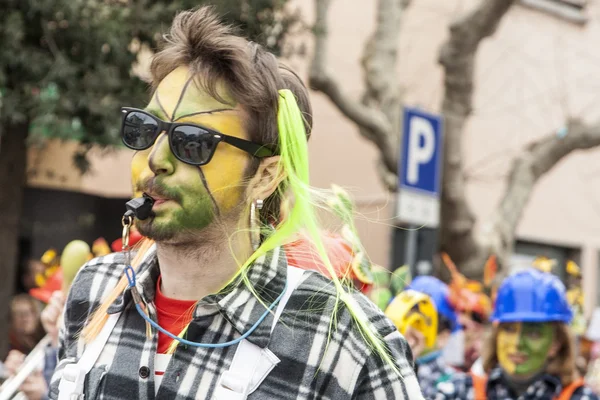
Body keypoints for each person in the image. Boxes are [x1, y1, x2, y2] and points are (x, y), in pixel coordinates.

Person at [49, 6, 423, 400]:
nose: (155, 159)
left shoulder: (345, 339)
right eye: (145, 129)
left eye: (192, 141)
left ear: (265, 176)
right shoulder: (93, 291)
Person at [435, 268, 599, 400]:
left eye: (534, 334)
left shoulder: (581, 398)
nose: (517, 343)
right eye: (509, 329)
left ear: (556, 343)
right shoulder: (458, 392)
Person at [400, 276, 462, 398]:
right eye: (406, 318)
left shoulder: (455, 385)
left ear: (443, 337)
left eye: (419, 323)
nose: (408, 329)